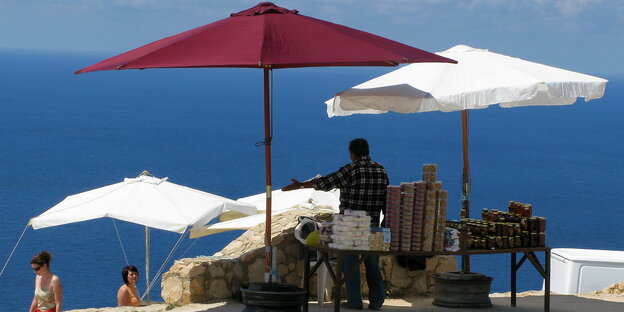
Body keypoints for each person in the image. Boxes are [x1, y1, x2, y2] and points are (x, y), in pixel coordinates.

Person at [282, 138, 388, 310]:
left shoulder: (351, 169)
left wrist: (301, 185)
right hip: (372, 227)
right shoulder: (381, 170)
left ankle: (355, 301)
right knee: (372, 264)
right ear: (367, 151)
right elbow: (386, 199)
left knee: (350, 264)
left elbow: (326, 182)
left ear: (352, 154)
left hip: (350, 227)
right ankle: (377, 301)